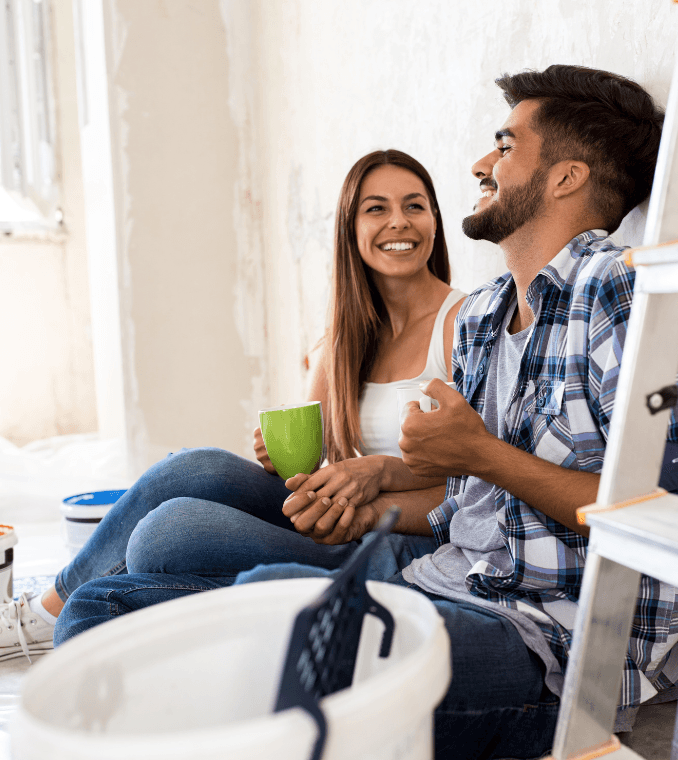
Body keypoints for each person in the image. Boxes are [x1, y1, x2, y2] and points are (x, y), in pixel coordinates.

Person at [52, 65, 678, 760]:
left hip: (549, 651)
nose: (479, 163)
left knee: (274, 598)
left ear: (565, 177)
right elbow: (468, 506)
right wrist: (376, 483)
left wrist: (478, 455)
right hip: (447, 581)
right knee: (104, 605)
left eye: (504, 145)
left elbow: (672, 521)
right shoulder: (489, 317)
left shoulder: (626, 296)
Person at [0, 149, 464, 662]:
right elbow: (312, 466)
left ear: (435, 221)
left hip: (408, 538)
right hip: (339, 518)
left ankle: (108, 613)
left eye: (414, 206)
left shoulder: (463, 323)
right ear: (349, 229)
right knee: (190, 468)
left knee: (161, 538)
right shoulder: (344, 338)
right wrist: (286, 459)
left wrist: (377, 478)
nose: (398, 221)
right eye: (376, 208)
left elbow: (483, 486)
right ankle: (44, 612)